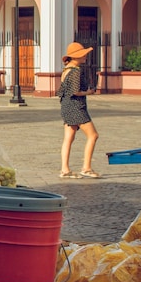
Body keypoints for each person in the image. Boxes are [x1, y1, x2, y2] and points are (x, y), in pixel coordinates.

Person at [58, 42, 100, 179]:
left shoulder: (66, 70)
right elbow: (75, 91)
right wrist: (88, 92)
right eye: (83, 54)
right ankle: (86, 168)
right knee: (93, 135)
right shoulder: (76, 71)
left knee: (68, 138)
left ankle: (65, 169)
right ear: (77, 57)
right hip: (76, 106)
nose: (85, 57)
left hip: (66, 106)